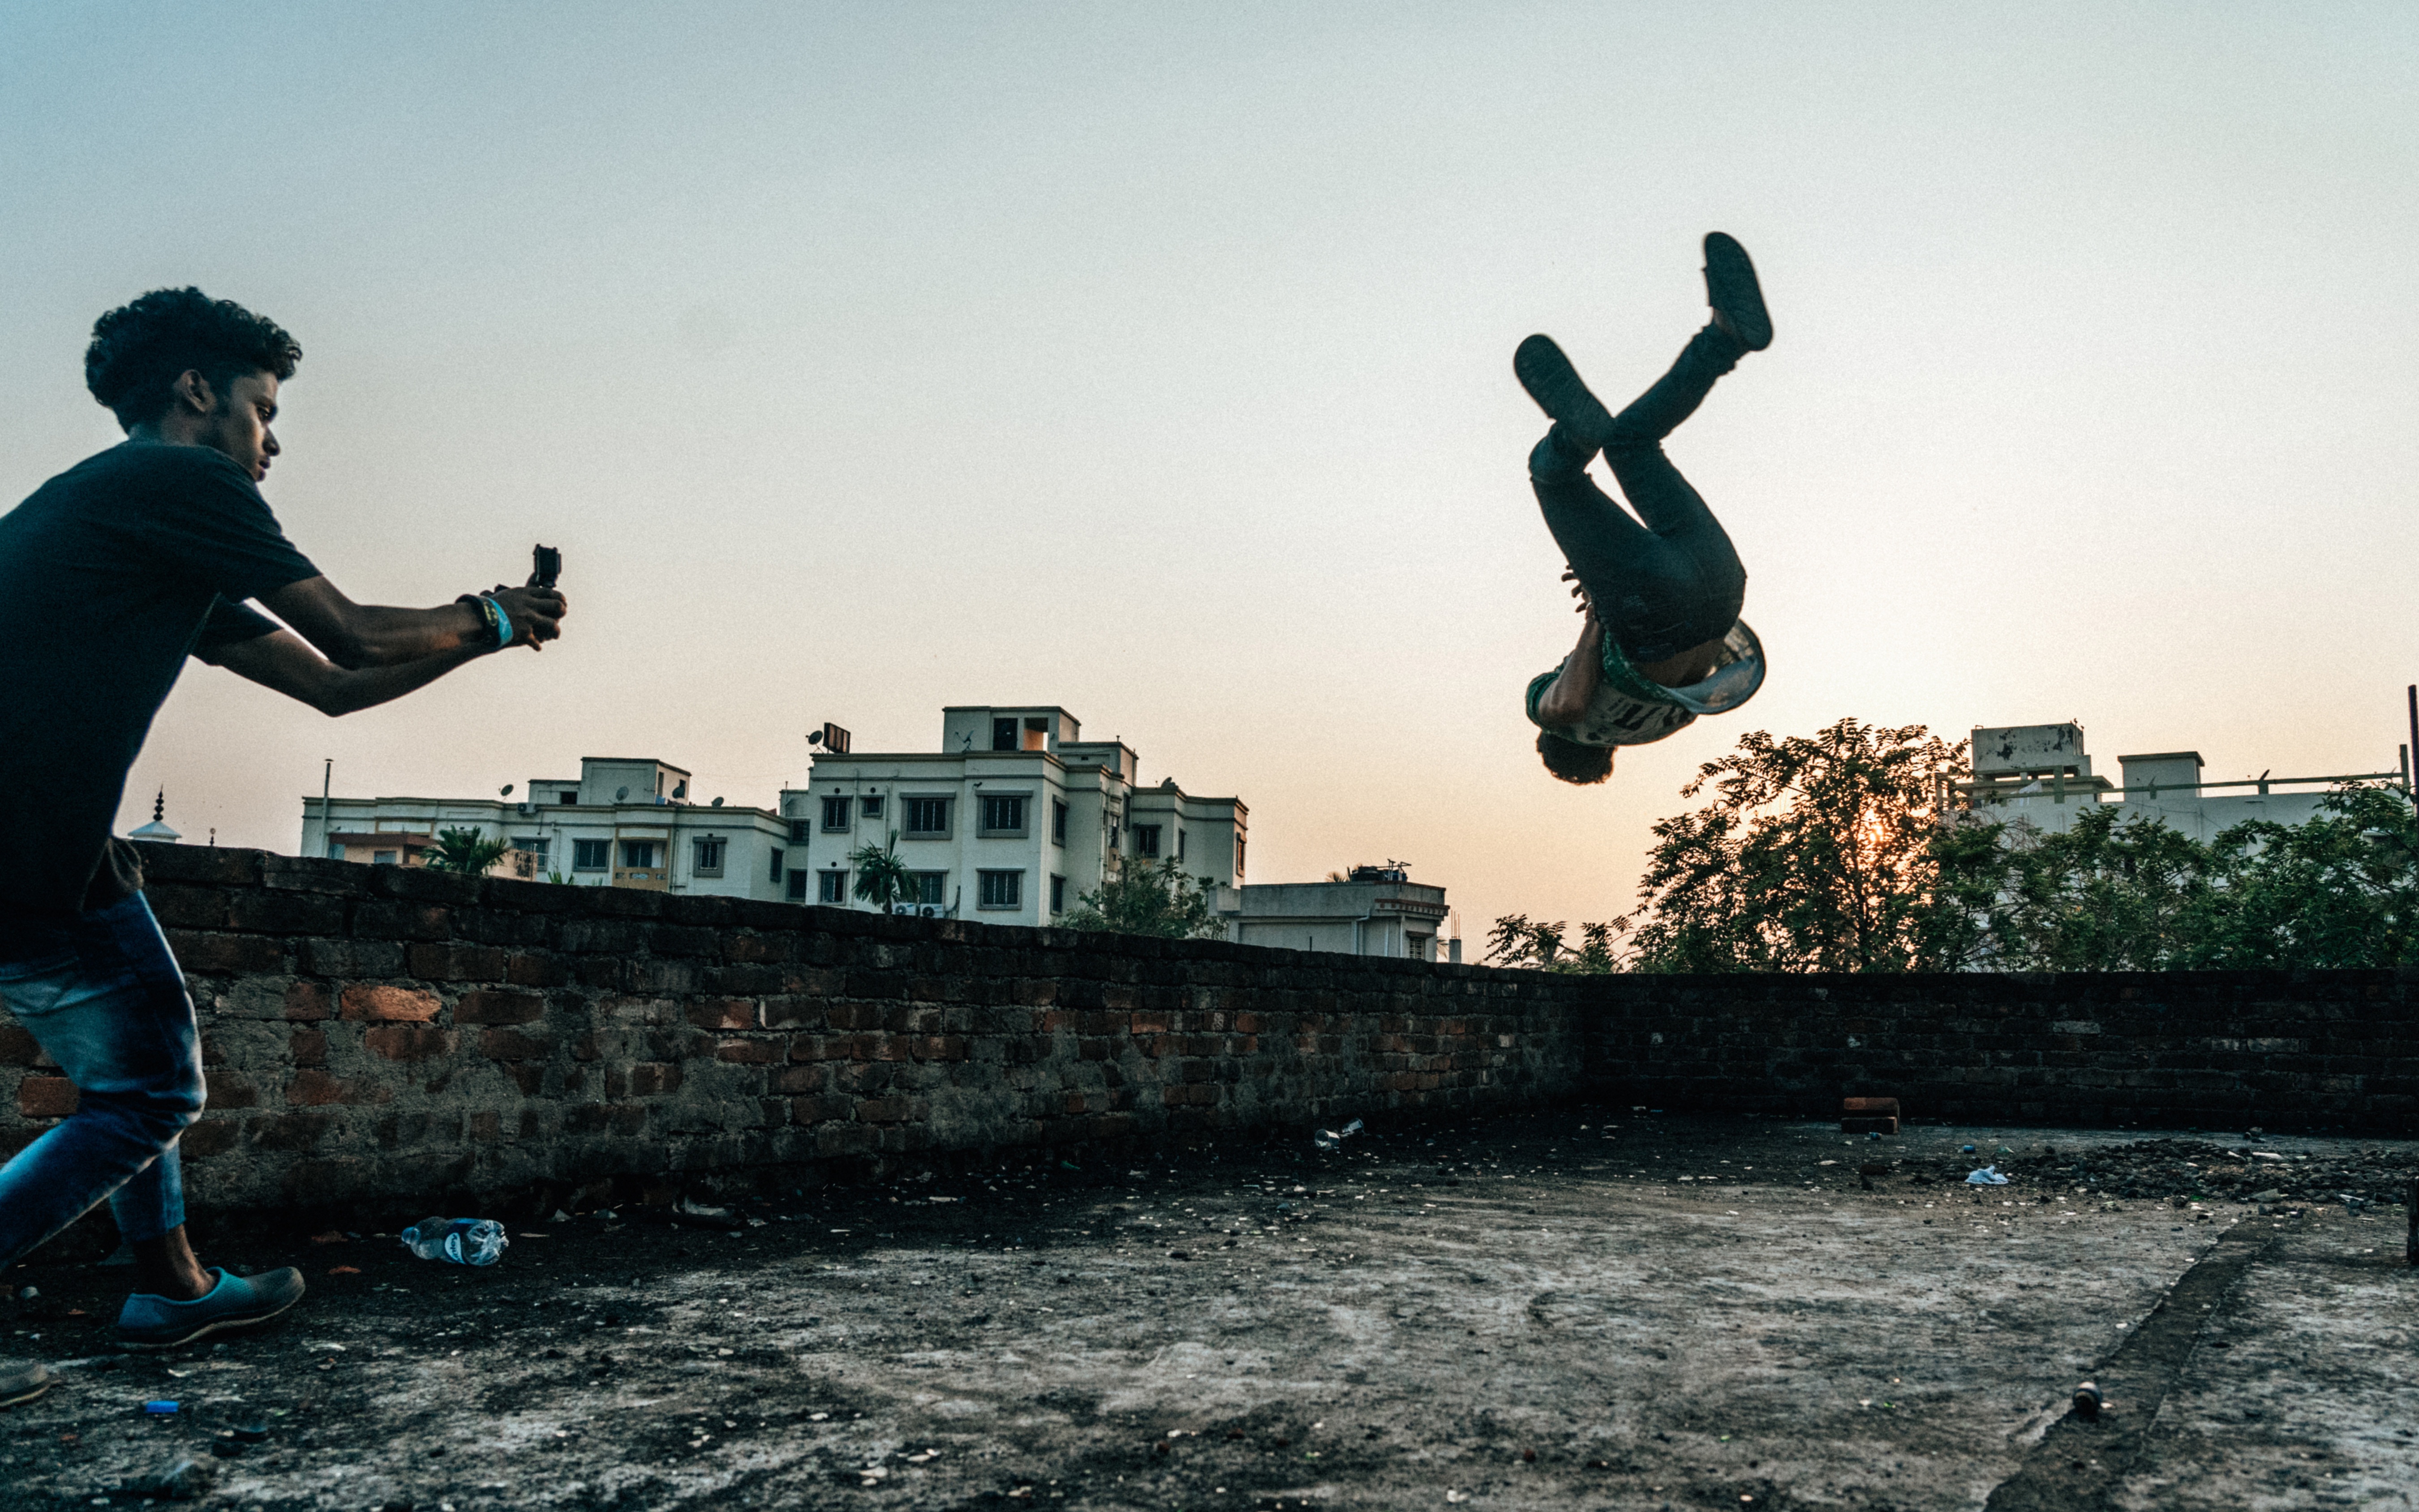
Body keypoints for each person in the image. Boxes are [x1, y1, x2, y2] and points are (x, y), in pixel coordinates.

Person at [0, 288, 568, 1399]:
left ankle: (171, 1286)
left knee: (143, 1068)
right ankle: (166, 1283)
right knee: (151, 1096)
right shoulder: (178, 479)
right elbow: (349, 628)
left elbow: (332, 686)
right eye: (263, 409)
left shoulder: (131, 518)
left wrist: (485, 641)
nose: (272, 440)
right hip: (18, 846)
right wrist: (487, 613)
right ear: (197, 392)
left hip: (63, 847)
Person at [1517, 232, 1773, 785]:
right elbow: (1564, 708)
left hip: (1723, 590)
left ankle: (1724, 338)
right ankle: (1572, 438)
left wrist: (1603, 574)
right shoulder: (1569, 723)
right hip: (1652, 611)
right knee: (1553, 478)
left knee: (1633, 443)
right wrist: (1598, 613)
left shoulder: (1663, 728)